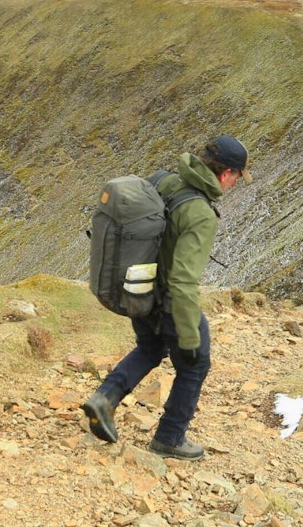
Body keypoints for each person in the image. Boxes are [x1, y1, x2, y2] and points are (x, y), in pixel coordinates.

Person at [81, 135, 251, 460]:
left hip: (140, 290)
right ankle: (170, 438)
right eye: (238, 178)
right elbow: (183, 280)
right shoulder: (200, 213)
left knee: (150, 347)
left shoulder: (165, 179)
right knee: (195, 363)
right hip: (171, 302)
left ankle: (105, 398)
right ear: (227, 173)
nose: (236, 184)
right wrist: (188, 337)